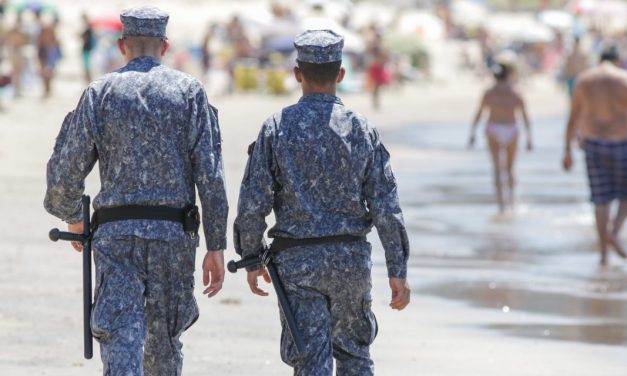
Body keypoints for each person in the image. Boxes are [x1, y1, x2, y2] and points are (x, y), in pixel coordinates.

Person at [43, 6, 228, 375]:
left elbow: (64, 173)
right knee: (164, 346)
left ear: (122, 44)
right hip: (173, 238)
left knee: (121, 342)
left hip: (117, 238)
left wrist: (75, 218)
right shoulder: (189, 92)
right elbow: (211, 175)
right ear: (165, 45)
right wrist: (216, 245)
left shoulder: (100, 93)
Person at [234, 30, 411, 375]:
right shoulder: (361, 129)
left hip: (297, 264)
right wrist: (398, 269)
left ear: (297, 73)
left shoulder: (276, 128)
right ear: (341, 75)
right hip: (350, 262)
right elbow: (386, 206)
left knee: (311, 361)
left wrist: (251, 256)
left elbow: (254, 201)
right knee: (355, 358)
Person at [562, 45, 627, 266]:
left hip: (593, 143)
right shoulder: (622, 78)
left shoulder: (584, 80)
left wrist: (567, 150)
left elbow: (573, 117)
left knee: (600, 199)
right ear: (617, 59)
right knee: (625, 195)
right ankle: (615, 231)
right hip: (621, 142)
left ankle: (603, 256)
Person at [469, 62, 533, 213]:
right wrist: (530, 137)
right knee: (510, 168)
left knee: (497, 168)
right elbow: (524, 116)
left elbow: (479, 112)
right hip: (511, 128)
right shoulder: (516, 91)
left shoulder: (489, 92)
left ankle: (501, 205)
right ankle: (512, 202)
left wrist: (472, 132)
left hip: (493, 128)